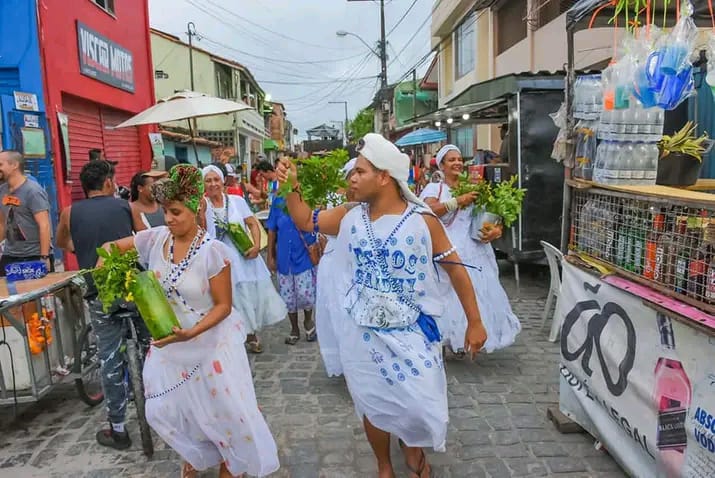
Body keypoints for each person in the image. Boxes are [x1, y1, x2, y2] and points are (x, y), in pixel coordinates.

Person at [277, 133, 487, 478]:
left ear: (384, 176)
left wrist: (475, 322)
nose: (352, 178)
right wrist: (291, 186)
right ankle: (384, 465)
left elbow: (456, 271)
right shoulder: (349, 216)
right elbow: (305, 220)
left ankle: (413, 448)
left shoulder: (423, 220)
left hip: (413, 332)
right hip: (363, 334)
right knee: (373, 402)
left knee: (419, 403)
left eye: (360, 171)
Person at [100, 165, 279, 478]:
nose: (168, 219)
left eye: (176, 212)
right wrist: (109, 271)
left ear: (196, 210)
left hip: (211, 345)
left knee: (223, 413)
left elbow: (224, 306)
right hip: (171, 347)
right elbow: (110, 248)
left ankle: (229, 462)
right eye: (165, 212)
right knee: (171, 410)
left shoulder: (214, 252)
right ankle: (196, 455)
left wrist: (192, 332)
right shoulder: (156, 239)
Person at [55, 159, 150, 450]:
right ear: (108, 183)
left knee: (109, 356)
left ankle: (118, 429)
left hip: (100, 293)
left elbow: (62, 242)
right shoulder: (126, 207)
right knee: (149, 347)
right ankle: (161, 408)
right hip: (133, 288)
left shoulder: (69, 212)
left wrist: (81, 248)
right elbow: (144, 240)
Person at [420, 144, 521, 355]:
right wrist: (456, 202)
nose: (457, 163)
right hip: (446, 251)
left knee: (475, 295)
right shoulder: (435, 189)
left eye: (459, 159)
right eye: (451, 160)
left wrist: (495, 230)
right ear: (441, 165)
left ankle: (467, 337)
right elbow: (427, 211)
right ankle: (445, 340)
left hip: (475, 250)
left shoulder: (474, 188)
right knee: (447, 296)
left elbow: (492, 216)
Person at [202, 164, 287, 354]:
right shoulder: (203, 206)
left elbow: (252, 224)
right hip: (219, 260)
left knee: (247, 295)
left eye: (216, 179)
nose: (213, 184)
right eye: (208, 181)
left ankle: (250, 334)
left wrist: (256, 246)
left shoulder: (236, 201)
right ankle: (240, 335)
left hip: (243, 258)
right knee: (229, 297)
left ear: (223, 181)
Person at [314, 158, 357, 377]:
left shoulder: (373, 203)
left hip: (358, 263)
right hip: (334, 262)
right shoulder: (334, 200)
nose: (356, 180)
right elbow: (317, 226)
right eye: (353, 175)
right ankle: (345, 362)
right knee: (337, 311)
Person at [265, 186, 318, 346]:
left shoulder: (308, 198)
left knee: (305, 294)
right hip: (284, 257)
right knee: (288, 298)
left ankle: (308, 320)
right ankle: (294, 328)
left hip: (303, 254)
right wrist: (270, 256)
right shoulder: (278, 201)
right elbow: (272, 230)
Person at [0, 150, 53, 275]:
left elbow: (44, 225)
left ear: (14, 165)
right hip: (10, 255)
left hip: (34, 255)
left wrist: (44, 257)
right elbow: (2, 223)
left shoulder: (33, 191)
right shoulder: (2, 191)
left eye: (0, 164)